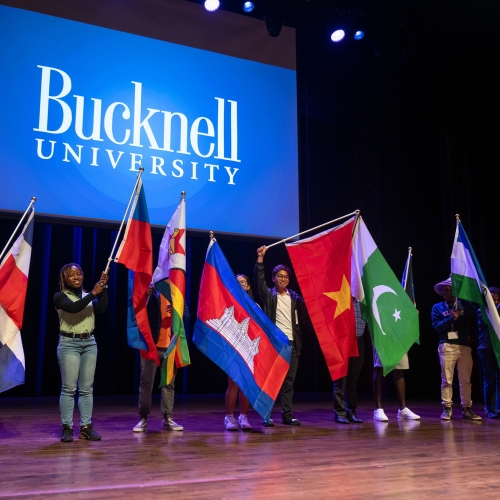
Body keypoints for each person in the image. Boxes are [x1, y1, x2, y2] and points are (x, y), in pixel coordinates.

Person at [254, 246, 312, 426]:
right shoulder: (269, 296)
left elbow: (305, 321)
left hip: (292, 344)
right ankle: (267, 415)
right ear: (273, 278)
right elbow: (258, 280)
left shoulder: (295, 298)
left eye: (286, 277)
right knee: (272, 381)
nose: (283, 279)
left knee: (289, 382)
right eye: (280, 276)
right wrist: (261, 260)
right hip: (274, 343)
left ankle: (287, 415)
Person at [54, 263, 108, 442]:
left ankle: (86, 427)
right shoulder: (60, 297)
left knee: (86, 389)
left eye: (78, 274)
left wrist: (104, 287)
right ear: (64, 279)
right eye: (71, 275)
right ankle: (67, 428)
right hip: (69, 343)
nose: (76, 277)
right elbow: (74, 307)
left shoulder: (88, 296)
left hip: (89, 343)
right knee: (69, 388)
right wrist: (94, 293)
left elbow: (102, 309)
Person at [133, 280, 185, 433]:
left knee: (169, 384)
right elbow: (137, 314)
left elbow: (186, 316)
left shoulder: (175, 292)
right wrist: (144, 296)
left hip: (169, 345)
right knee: (146, 383)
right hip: (150, 345)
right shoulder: (149, 289)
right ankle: (143, 418)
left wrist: (178, 310)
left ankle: (167, 418)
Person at [431, 277, 481, 420]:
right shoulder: (437, 307)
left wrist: (463, 303)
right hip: (447, 345)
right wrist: (451, 318)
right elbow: (437, 326)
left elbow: (474, 314)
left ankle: (467, 408)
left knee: (465, 380)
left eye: (447, 289)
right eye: (443, 290)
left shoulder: (463, 304)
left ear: (455, 290)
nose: (444, 292)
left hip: (464, 345)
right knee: (447, 379)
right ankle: (447, 407)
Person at [224, 274, 254, 431]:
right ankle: (229, 417)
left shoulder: (255, 306)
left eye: (244, 282)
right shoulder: (228, 305)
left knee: (246, 385)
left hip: (248, 349)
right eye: (238, 282)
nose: (241, 284)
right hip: (233, 349)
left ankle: (244, 416)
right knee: (233, 383)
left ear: (248, 286)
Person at [333, 298, 365, 424]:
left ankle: (351, 411)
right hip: (343, 341)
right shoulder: (342, 297)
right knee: (340, 380)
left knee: (352, 381)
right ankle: (339, 412)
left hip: (358, 341)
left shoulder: (362, 299)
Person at [372, 348, 420, 421]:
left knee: (400, 369)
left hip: (398, 338)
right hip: (382, 337)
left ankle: (402, 409)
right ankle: (378, 409)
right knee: (379, 368)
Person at [476, 286, 500, 418]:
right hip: (486, 348)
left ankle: (498, 408)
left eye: (497, 299)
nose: (495, 302)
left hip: (498, 350)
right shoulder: (482, 311)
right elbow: (489, 323)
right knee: (490, 379)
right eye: (493, 299)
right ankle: (489, 408)